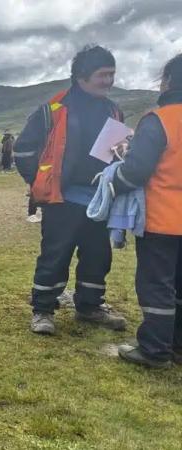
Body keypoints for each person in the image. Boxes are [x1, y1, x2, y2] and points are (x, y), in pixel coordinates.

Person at [14, 44, 127, 335]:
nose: (109, 80)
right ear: (81, 76)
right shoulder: (52, 109)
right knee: (55, 254)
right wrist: (38, 182)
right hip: (61, 198)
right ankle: (43, 310)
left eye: (112, 74)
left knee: (98, 255)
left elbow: (115, 153)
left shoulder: (114, 111)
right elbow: (23, 150)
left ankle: (90, 306)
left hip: (99, 200)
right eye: (103, 74)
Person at [112, 54, 182, 368]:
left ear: (168, 81)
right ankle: (178, 345)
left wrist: (113, 182)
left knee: (157, 286)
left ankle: (154, 350)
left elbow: (136, 171)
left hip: (162, 220)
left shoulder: (159, 120)